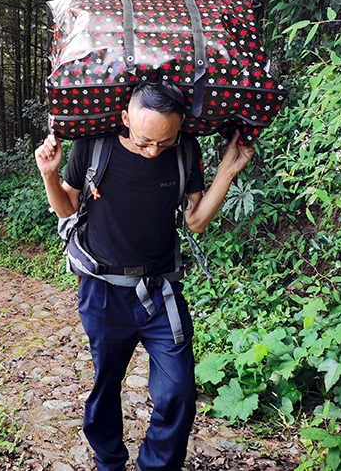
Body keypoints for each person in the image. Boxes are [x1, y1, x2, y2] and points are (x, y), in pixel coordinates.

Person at [34, 80, 254, 471]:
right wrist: (50, 173)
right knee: (107, 384)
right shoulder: (94, 145)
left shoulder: (184, 150)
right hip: (103, 291)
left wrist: (228, 169)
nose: (154, 151)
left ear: (181, 126)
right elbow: (67, 209)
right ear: (124, 118)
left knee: (179, 391)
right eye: (143, 141)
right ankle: (109, 460)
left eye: (163, 143)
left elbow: (197, 220)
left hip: (161, 291)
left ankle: (156, 466)